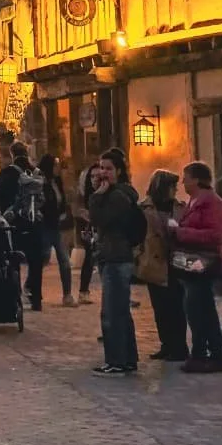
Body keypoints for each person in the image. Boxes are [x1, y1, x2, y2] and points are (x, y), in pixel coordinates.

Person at [89, 147, 144, 376]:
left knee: (111, 312)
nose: (103, 173)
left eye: (109, 169)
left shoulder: (117, 196)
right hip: (114, 256)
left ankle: (116, 361)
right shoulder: (118, 194)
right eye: (101, 168)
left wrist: (96, 196)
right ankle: (128, 359)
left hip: (116, 257)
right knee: (121, 310)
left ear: (119, 171)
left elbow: (99, 219)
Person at [167, 160, 222, 373]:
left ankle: (207, 354)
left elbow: (215, 234)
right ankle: (207, 353)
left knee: (200, 310)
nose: (183, 182)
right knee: (198, 309)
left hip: (205, 265)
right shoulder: (193, 201)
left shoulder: (212, 203)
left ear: (198, 179)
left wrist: (180, 232)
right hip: (192, 268)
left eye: (186, 177)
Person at [136, 169, 188, 363]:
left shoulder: (180, 207)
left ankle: (179, 347)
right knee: (160, 307)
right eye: (172, 186)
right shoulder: (144, 208)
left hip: (175, 261)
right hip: (154, 261)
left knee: (177, 306)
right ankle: (166, 344)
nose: (175, 190)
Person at [0, 141, 44, 312]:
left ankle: (15, 299)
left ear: (12, 154)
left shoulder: (7, 173)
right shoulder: (37, 173)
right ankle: (36, 299)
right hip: (35, 222)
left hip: (14, 224)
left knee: (13, 260)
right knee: (35, 262)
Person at [37, 154, 76, 306]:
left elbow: (62, 200)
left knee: (64, 260)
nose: (58, 168)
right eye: (55, 165)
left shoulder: (57, 181)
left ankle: (67, 294)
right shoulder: (42, 184)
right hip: (46, 226)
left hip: (57, 226)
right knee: (42, 259)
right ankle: (31, 288)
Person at [74, 162, 103, 303]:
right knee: (89, 257)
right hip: (89, 230)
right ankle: (83, 291)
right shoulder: (86, 194)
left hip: (103, 232)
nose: (94, 180)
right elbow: (78, 210)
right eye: (92, 176)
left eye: (98, 176)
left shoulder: (106, 194)